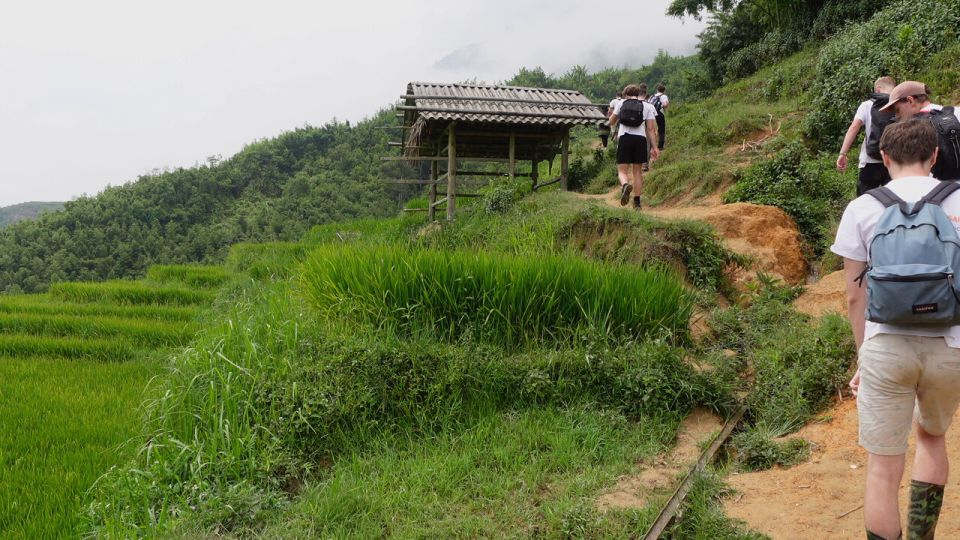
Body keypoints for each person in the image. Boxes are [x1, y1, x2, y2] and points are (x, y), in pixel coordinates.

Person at [831, 119, 960, 540]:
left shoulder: (863, 208)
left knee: (883, 467)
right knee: (931, 438)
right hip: (950, 345)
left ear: (883, 158)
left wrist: (862, 356)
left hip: (886, 347)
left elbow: (855, 296)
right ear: (935, 155)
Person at [880, 80, 960, 181]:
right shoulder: (955, 112)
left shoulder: (912, 130)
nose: (896, 116)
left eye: (897, 110)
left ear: (910, 101)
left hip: (940, 191)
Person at [837, 76, 896, 195]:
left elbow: (854, 127)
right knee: (894, 201)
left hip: (870, 160)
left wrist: (843, 153)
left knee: (864, 200)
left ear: (878, 89)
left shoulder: (866, 105)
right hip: (893, 161)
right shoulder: (899, 104)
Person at [609, 84, 660, 209]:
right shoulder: (647, 106)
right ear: (638, 94)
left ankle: (625, 185)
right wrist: (654, 147)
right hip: (640, 139)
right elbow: (651, 129)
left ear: (625, 93)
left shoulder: (621, 103)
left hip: (625, 137)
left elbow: (611, 121)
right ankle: (637, 202)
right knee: (637, 172)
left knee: (622, 171)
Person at [648, 84, 669, 152]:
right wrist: (663, 106)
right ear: (664, 91)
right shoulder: (664, 96)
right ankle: (660, 146)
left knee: (651, 129)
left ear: (657, 90)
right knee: (661, 129)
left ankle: (651, 146)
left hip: (651, 114)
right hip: (660, 113)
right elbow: (665, 104)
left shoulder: (652, 96)